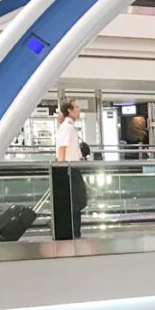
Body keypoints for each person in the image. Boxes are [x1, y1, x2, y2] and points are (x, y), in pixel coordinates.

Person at [55, 99, 88, 238]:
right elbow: (61, 148)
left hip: (71, 168)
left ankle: (74, 232)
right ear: (69, 110)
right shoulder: (67, 127)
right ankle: (72, 232)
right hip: (69, 169)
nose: (79, 109)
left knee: (76, 201)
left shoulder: (68, 126)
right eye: (76, 107)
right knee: (77, 200)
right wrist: (62, 170)